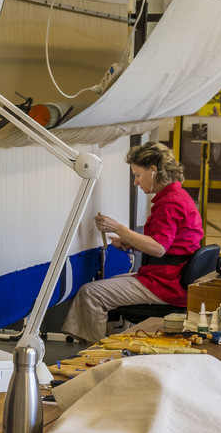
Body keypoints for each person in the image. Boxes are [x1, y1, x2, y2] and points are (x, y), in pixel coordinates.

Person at [60, 142, 204, 342]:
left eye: (137, 175)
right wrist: (131, 242)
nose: (135, 182)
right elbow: (169, 244)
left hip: (166, 284)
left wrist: (118, 228)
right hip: (171, 278)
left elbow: (159, 248)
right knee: (106, 285)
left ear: (154, 171)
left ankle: (91, 357)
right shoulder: (178, 196)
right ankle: (112, 344)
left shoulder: (169, 203)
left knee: (91, 293)